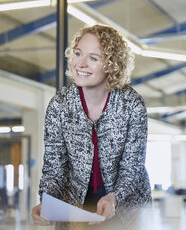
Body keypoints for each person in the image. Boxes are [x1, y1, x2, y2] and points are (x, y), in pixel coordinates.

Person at [31, 24, 152, 229]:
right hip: (76, 210)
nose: (81, 63)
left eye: (93, 58)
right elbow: (54, 168)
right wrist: (47, 202)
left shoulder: (132, 104)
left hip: (125, 210)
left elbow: (132, 169)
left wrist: (115, 197)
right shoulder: (60, 104)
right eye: (78, 53)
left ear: (112, 65)